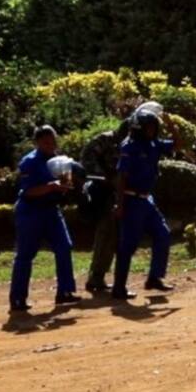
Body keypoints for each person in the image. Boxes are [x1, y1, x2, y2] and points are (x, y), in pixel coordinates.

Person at [9, 125, 81, 311]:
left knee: (64, 246)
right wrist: (51, 186)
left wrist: (66, 187)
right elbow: (29, 191)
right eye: (46, 142)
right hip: (30, 211)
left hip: (51, 210)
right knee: (25, 255)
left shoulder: (59, 161)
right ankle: (18, 298)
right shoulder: (30, 162)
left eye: (53, 141)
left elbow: (65, 184)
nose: (51, 145)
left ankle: (65, 292)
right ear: (37, 142)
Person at [111, 109, 180, 300]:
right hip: (131, 199)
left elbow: (177, 144)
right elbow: (121, 177)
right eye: (148, 127)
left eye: (154, 126)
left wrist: (171, 124)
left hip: (147, 199)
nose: (151, 130)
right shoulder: (129, 146)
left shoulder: (154, 144)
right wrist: (120, 204)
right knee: (128, 246)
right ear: (140, 128)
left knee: (163, 234)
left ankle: (154, 278)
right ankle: (119, 288)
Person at [81, 119, 131, 293]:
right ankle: (95, 277)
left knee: (117, 237)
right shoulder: (105, 140)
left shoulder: (132, 145)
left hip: (122, 193)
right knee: (106, 234)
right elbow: (87, 157)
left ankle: (100, 277)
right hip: (105, 194)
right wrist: (105, 178)